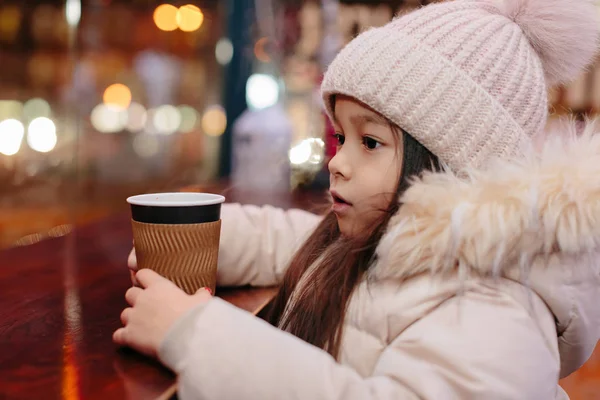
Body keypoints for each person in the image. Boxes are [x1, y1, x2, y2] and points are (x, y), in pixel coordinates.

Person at [115, 0, 600, 398]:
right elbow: (287, 239)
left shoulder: (497, 302)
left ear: (451, 163)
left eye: (370, 142)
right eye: (340, 138)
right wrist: (191, 239)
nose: (338, 162)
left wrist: (194, 334)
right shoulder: (388, 237)